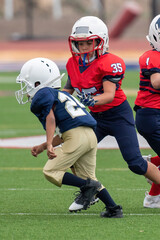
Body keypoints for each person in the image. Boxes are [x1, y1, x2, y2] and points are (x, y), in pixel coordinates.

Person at [63, 16, 160, 205]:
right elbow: (66, 91)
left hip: (118, 115)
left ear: (101, 41)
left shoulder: (110, 62)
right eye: (80, 43)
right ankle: (89, 190)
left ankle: (154, 189)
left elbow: (108, 95)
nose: (83, 48)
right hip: (94, 118)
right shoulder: (72, 64)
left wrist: (89, 100)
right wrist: (54, 100)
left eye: (88, 43)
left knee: (135, 163)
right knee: (73, 157)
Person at [15, 57, 123, 218]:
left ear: (38, 82)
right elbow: (66, 131)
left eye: (26, 83)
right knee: (88, 177)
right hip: (89, 135)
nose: (25, 88)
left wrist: (50, 143)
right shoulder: (62, 95)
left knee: (51, 171)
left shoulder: (43, 93)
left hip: (76, 136)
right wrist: (44, 145)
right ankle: (114, 208)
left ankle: (88, 188)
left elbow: (50, 119)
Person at [134, 14, 160, 208]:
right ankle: (152, 198)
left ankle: (152, 162)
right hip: (150, 116)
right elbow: (156, 82)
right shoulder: (150, 56)